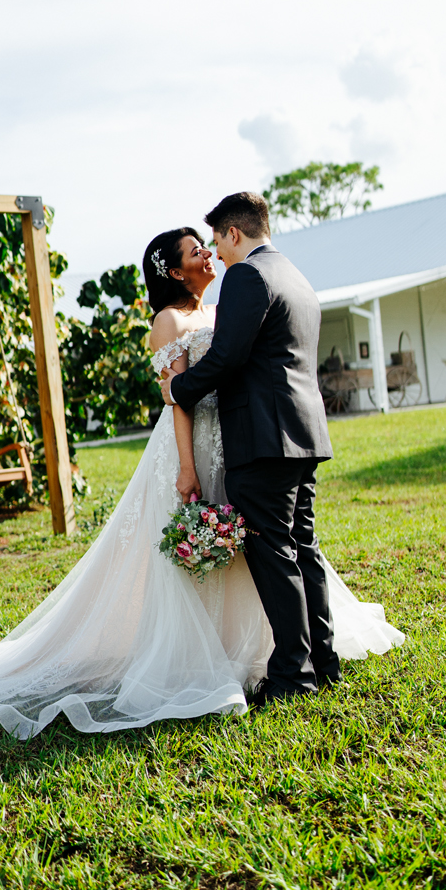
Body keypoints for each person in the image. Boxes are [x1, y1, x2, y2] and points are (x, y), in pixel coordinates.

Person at [0, 222, 402, 741]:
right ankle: (196, 656)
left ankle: (253, 647)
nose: (207, 253)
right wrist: (186, 465)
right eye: (194, 251)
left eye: (208, 245)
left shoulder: (223, 306)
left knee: (249, 547)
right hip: (193, 443)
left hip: (238, 443)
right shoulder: (170, 321)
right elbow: (178, 400)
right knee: (201, 553)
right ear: (175, 271)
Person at [160, 191, 348, 705]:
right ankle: (323, 662)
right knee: (303, 549)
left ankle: (292, 675)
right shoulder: (293, 273)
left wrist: (177, 389)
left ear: (234, 233)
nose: (216, 254)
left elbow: (227, 357)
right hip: (303, 433)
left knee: (275, 554)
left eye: (217, 241)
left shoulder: (247, 275)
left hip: (263, 439)